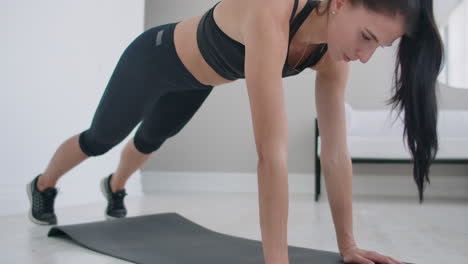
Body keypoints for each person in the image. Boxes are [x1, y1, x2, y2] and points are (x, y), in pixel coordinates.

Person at [26, 0, 443, 263]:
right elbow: (271, 154)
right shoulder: (272, 11)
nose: (366, 55)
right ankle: (44, 186)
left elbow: (335, 153)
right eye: (367, 36)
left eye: (379, 47)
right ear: (339, 3)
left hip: (196, 82)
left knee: (151, 141)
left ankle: (114, 187)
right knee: (100, 138)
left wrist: (348, 246)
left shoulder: (333, 58)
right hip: (152, 59)